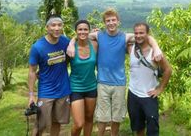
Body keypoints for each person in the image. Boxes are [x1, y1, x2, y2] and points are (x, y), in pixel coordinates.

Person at [67, 8, 162, 136]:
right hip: (102, 82)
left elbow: (146, 36)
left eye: (113, 20)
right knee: (102, 118)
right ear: (104, 23)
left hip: (119, 83)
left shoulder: (125, 37)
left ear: (118, 21)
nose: (111, 23)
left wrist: (156, 48)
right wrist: (71, 43)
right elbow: (80, 34)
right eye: (108, 21)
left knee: (116, 118)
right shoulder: (99, 36)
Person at [27, 15, 71, 136]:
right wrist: (31, 95)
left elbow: (71, 53)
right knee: (41, 124)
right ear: (47, 28)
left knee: (57, 122)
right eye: (53, 25)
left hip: (63, 90)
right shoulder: (38, 47)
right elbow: (32, 71)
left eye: (59, 25)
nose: (57, 28)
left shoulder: (65, 42)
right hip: (46, 91)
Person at [127, 22, 172, 136]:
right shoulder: (131, 48)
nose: (138, 36)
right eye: (136, 33)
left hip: (149, 95)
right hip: (133, 94)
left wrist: (160, 89)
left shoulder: (155, 53)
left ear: (148, 34)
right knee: (138, 126)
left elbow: (168, 70)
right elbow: (114, 38)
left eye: (141, 33)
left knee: (152, 127)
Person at [69, 20, 98, 136]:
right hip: (76, 88)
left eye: (85, 29)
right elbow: (60, 65)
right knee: (79, 123)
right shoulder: (70, 48)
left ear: (89, 31)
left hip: (91, 86)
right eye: (80, 29)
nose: (83, 32)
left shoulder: (95, 45)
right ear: (76, 31)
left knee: (89, 118)